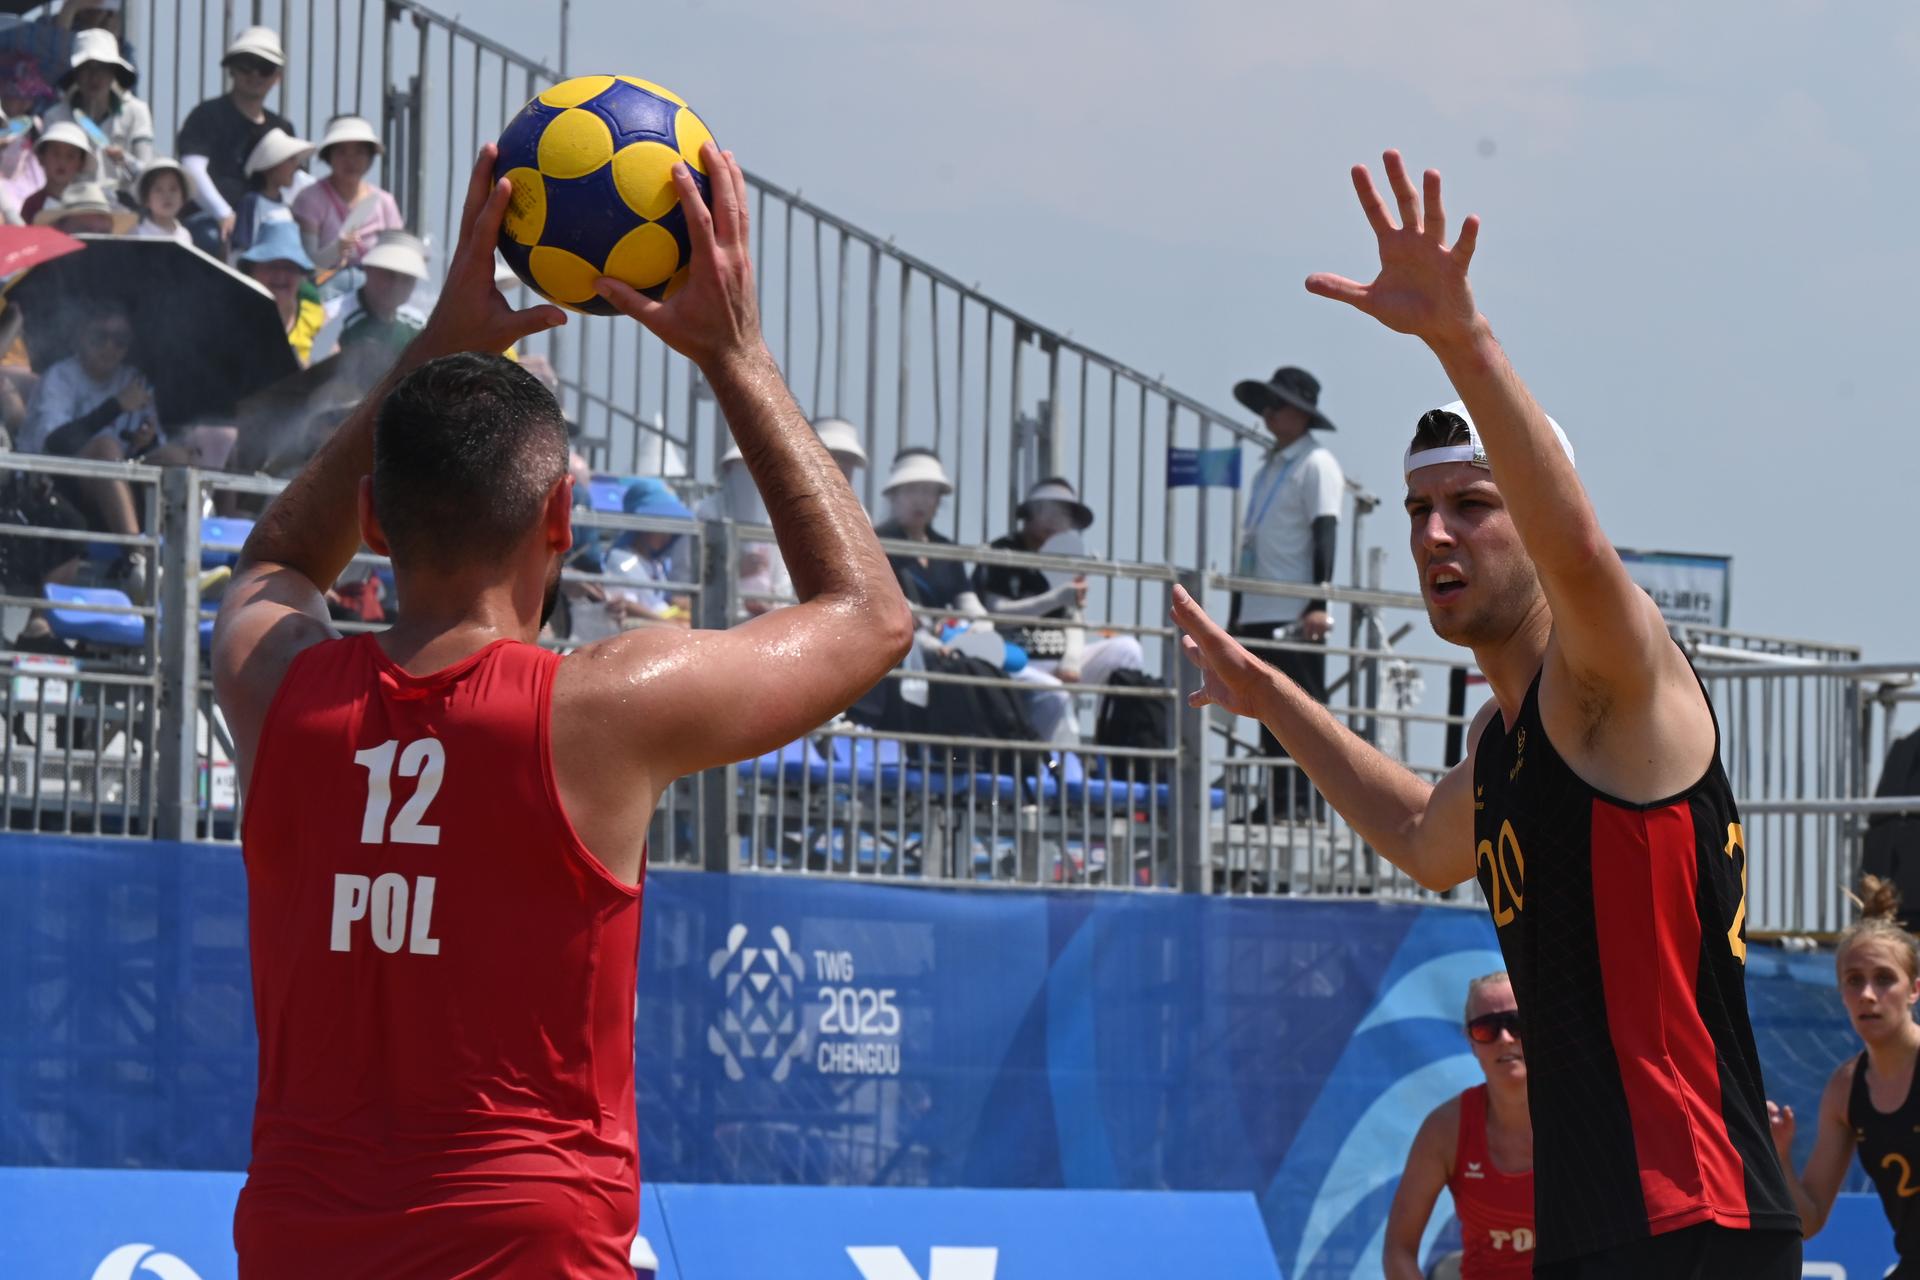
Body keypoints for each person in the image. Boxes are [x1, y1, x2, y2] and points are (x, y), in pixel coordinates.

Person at [211, 142, 910, 1277]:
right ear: (562, 521)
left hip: (300, 1237)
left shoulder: (278, 687)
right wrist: (734, 353)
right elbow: (868, 613)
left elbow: (279, 555)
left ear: (377, 520)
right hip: (527, 1241)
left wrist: (432, 350)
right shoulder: (598, 709)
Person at [1172, 151, 1798, 1277]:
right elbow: (1420, 837)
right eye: (1418, 509)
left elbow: (1585, 551)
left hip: (1694, 1217)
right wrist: (1271, 695)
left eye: (1472, 505)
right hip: (1597, 1222)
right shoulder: (1506, 742)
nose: (1434, 535)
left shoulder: (1614, 678)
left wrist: (1461, 338)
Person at [1767, 876, 1920, 1277]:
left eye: (1885, 979)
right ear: (1840, 992)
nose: (1868, 994)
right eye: (1854, 981)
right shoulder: (1845, 1088)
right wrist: (1780, 1156)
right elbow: (1810, 1220)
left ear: (1914, 990)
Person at [1227, 363, 1343, 821]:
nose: (1268, 413)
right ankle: (1277, 800)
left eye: (1277, 405)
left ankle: (1304, 803)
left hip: (1295, 612)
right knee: (1266, 707)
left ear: (1300, 414)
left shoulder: (1317, 463)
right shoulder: (1268, 467)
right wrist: (1236, 615)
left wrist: (1318, 603)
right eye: (1267, 406)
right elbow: (1248, 546)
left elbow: (1325, 534)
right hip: (1257, 609)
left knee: (1302, 709)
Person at [1384, 972, 1534, 1280]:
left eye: (1517, 1023)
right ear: (1471, 1042)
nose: (1504, 1038)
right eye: (1485, 1029)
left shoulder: (1583, 1118)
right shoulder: (1445, 1130)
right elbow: (1398, 1249)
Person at [973, 476, 1145, 743]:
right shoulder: (1003, 550)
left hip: (1059, 658)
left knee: (1127, 650)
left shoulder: (1067, 555)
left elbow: (1074, 615)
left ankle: (1111, 741)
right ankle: (1044, 762)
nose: (1056, 519)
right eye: (1049, 508)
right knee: (1055, 693)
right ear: (1030, 513)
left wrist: (1072, 660)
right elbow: (997, 615)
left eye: (1065, 512)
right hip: (1014, 659)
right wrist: (1056, 598)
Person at [16, 297, 158, 578]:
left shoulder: (134, 380)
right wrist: (115, 406)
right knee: (105, 448)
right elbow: (55, 444)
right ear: (81, 337)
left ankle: (185, 555)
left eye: (119, 340)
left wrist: (148, 441)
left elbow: (147, 446)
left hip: (119, 489)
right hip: (51, 486)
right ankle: (140, 562)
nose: (109, 347)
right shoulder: (60, 378)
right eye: (99, 337)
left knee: (177, 457)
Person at [176, 26, 293, 247]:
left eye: (265, 68)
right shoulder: (206, 115)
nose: (255, 74)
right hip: (209, 222)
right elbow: (192, 169)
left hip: (267, 224)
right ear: (232, 69)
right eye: (247, 65)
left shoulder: (283, 128)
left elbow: (294, 184)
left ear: (277, 77)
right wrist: (223, 214)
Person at [875, 447, 985, 650]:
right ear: (894, 496)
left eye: (928, 491)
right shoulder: (875, 544)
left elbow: (968, 602)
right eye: (911, 490)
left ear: (938, 500)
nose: (920, 500)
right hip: (898, 647)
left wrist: (982, 626)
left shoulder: (946, 548)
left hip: (947, 643)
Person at [566, 478, 694, 643]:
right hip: (645, 640)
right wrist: (672, 626)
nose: (666, 534)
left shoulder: (656, 564)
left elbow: (661, 600)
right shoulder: (621, 559)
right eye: (660, 525)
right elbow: (624, 605)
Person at [42, 28, 150, 200]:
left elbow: (147, 174)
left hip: (124, 204)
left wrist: (125, 159)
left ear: (114, 72)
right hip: (70, 203)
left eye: (103, 68)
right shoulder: (55, 117)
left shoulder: (136, 112)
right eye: (86, 68)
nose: (95, 77)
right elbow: (48, 174)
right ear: (76, 74)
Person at [289, 114, 404, 276]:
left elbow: (398, 254)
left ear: (370, 157)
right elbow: (306, 265)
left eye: (360, 152)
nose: (351, 161)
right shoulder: (310, 199)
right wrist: (337, 249)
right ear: (329, 156)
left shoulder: (384, 202)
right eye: (342, 152)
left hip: (376, 295)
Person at [308, 229, 428, 364]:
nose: (396, 285)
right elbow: (315, 370)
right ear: (368, 269)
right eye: (389, 274)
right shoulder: (333, 318)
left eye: (407, 278)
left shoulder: (418, 324)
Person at [236, 217, 325, 366]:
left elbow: (329, 372)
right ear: (252, 271)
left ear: (300, 276)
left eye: (289, 268)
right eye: (271, 266)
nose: (280, 275)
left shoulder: (318, 319)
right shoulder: (234, 316)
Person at [231, 126, 312, 259]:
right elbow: (240, 250)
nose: (296, 166)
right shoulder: (251, 202)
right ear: (272, 165)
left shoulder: (286, 206)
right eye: (290, 160)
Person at [19, 117, 91, 223]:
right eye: (55, 154)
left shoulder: (88, 206)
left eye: (70, 156)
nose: (62, 162)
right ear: (41, 157)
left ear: (81, 163)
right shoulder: (32, 204)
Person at [32, 176, 132, 234]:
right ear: (60, 230)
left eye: (104, 234)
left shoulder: (120, 269)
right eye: (85, 232)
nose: (96, 241)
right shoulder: (45, 269)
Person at [132, 155, 189, 244]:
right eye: (158, 190)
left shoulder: (185, 235)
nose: (167, 195)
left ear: (182, 198)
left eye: (173, 189)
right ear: (146, 199)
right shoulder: (138, 234)